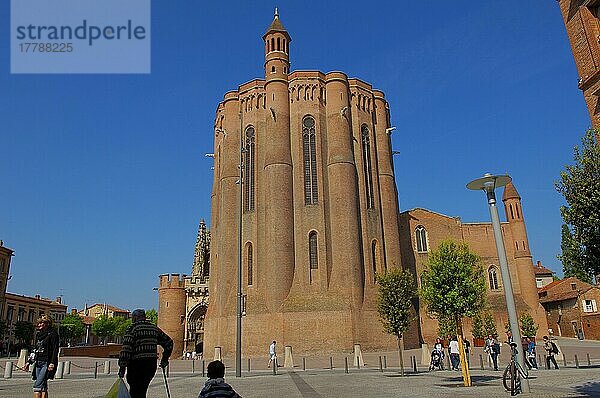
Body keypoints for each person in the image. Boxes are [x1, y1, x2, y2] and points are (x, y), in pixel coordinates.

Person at [118, 309, 174, 398]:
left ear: (135, 318)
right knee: (142, 389)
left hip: (136, 365)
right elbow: (169, 342)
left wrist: (122, 367)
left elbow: (126, 349)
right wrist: (164, 359)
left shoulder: (132, 328)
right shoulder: (154, 329)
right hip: (150, 365)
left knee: (135, 391)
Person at [31, 315, 59, 398]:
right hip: (38, 361)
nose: (38, 325)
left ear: (47, 323)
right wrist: (29, 362)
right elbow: (35, 349)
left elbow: (55, 349)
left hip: (46, 362)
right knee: (43, 386)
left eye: (40, 323)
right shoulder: (39, 335)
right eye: (38, 323)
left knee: (37, 386)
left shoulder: (53, 334)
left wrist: (52, 363)